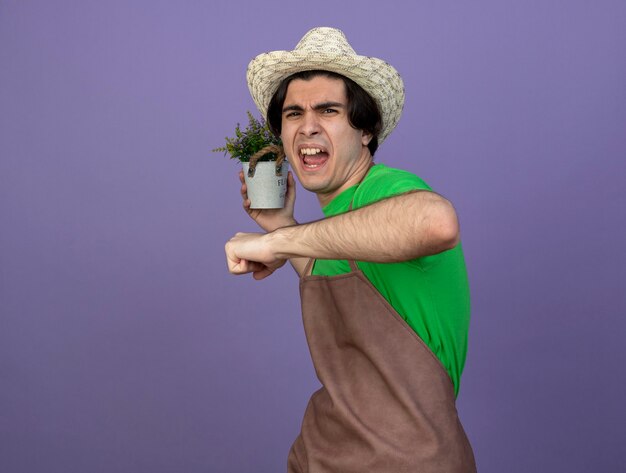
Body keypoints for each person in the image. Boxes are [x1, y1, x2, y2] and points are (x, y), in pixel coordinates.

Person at [225, 27, 477, 472]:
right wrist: (284, 226)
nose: (308, 126)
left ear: (366, 130)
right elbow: (350, 283)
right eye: (294, 113)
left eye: (328, 110)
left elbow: (437, 222)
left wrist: (278, 241)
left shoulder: (387, 190)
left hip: (409, 462)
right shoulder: (339, 223)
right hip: (322, 454)